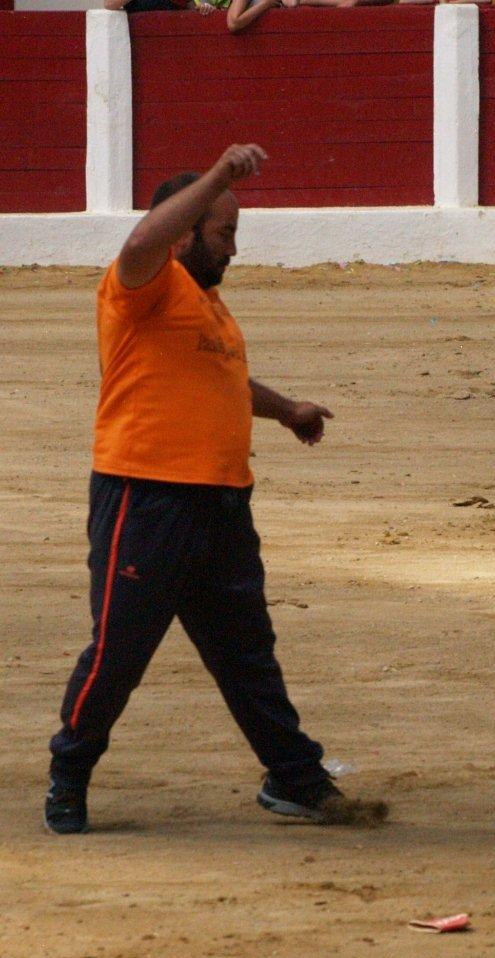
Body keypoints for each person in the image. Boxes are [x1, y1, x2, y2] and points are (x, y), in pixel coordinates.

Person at [44, 144, 387, 834]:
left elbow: (222, 381)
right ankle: (69, 773)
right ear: (187, 232)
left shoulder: (209, 307)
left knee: (247, 655)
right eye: (224, 233)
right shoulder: (140, 284)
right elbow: (143, 238)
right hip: (146, 500)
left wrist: (286, 408)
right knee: (119, 652)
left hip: (222, 503)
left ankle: (293, 778)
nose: (234, 249)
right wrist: (220, 178)